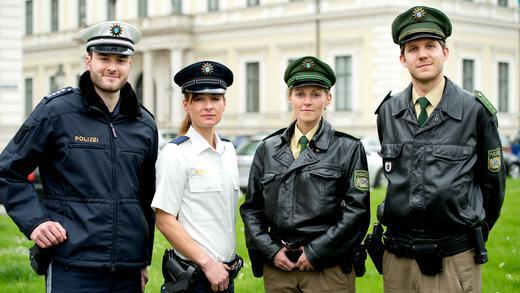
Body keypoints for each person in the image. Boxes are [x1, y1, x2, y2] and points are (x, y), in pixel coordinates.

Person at [0, 21, 158, 292]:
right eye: (104, 58)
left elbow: (145, 197)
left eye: (120, 59)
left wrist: (142, 260)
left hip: (127, 271)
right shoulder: (56, 112)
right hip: (71, 266)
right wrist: (35, 222)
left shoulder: (144, 123)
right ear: (88, 60)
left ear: (130, 64)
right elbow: (8, 170)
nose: (112, 67)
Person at [375, 6, 506, 292]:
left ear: (444, 52)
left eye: (430, 46)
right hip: (397, 260)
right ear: (403, 58)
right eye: (413, 48)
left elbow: (493, 187)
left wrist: (469, 233)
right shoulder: (388, 112)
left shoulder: (474, 112)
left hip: (453, 258)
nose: (422, 54)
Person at [240, 56, 370, 292]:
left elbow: (357, 213)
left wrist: (315, 252)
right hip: (280, 269)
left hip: (327, 270)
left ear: (328, 98)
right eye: (300, 94)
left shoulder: (349, 149)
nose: (307, 101)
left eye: (316, 94)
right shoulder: (267, 149)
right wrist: (271, 251)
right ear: (290, 97)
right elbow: (251, 209)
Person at [152, 61, 241, 293]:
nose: (208, 106)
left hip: (224, 275)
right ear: (186, 104)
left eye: (215, 98)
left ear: (224, 104)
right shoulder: (175, 153)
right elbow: (164, 219)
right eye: (199, 99)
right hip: (195, 278)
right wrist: (208, 264)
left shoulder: (228, 151)